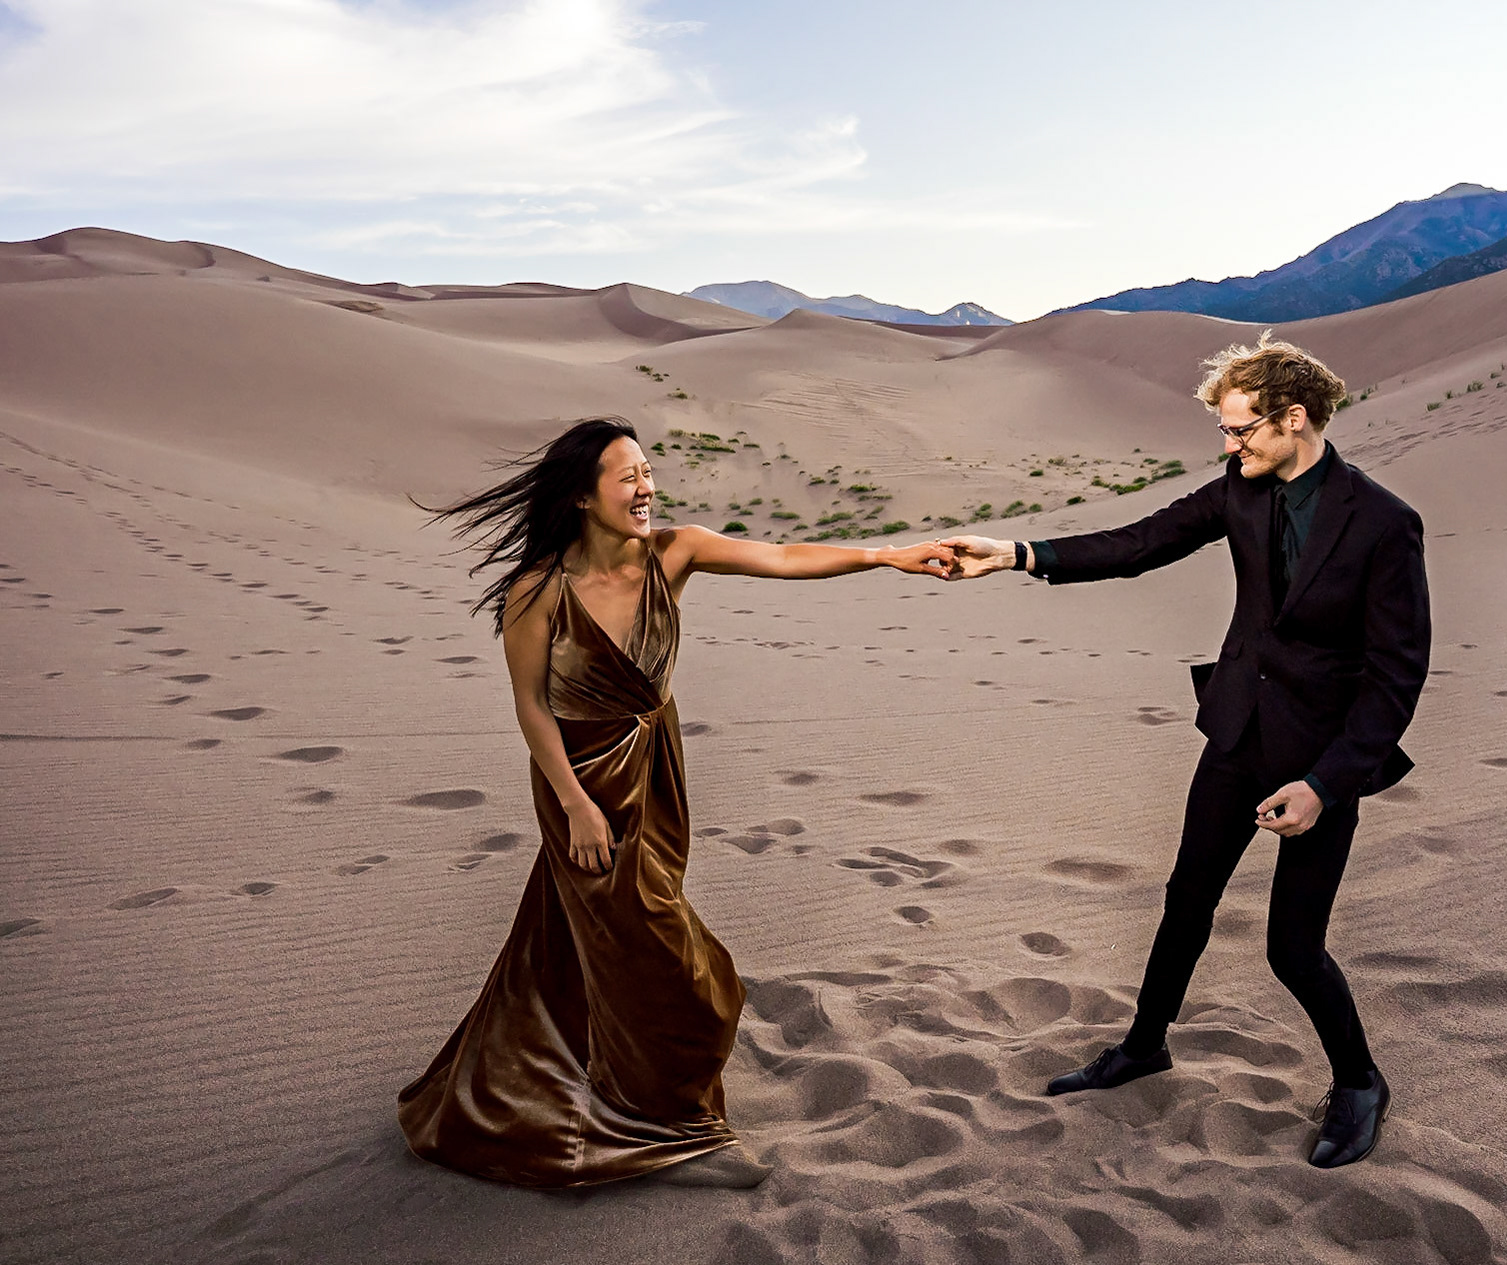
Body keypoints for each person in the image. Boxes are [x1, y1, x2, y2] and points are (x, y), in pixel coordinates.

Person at [398, 418, 954, 1188]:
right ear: (583, 497)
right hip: (581, 784)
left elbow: (787, 556)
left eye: (648, 470)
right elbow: (530, 705)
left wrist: (888, 555)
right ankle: (678, 1136)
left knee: (599, 938)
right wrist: (575, 807)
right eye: (627, 476)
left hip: (656, 772)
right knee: (682, 967)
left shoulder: (676, 552)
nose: (646, 487)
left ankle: (562, 1084)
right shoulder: (540, 590)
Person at [944, 336, 1429, 1168]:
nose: (1229, 447)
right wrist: (1019, 554)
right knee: (1185, 900)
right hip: (1238, 731)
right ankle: (1144, 1045)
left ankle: (1358, 1081)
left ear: (1295, 418)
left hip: (1320, 761)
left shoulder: (1383, 522)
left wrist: (1323, 783)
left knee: (1291, 946)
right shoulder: (1239, 491)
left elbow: (1396, 676)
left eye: (1241, 431)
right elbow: (1139, 542)